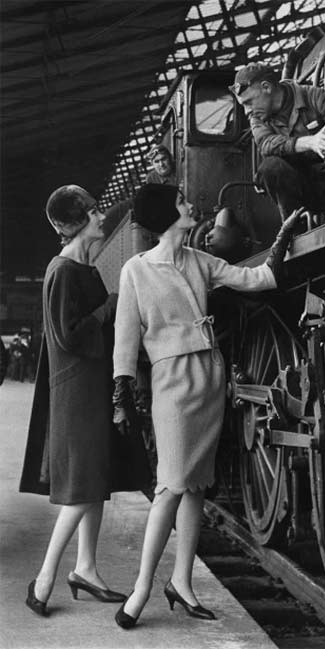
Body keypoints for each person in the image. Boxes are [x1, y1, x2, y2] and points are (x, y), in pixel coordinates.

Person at [112, 183, 301, 629]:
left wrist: (282, 239)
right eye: (180, 202)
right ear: (165, 215)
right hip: (173, 382)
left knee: (197, 483)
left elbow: (259, 279)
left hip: (210, 377)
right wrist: (122, 398)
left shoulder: (200, 262)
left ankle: (183, 583)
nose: (190, 205)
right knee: (171, 485)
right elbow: (125, 341)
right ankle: (142, 589)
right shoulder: (135, 271)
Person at [19, 185, 151, 617]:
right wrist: (110, 307)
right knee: (80, 489)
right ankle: (43, 581)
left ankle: (86, 569)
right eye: (93, 212)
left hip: (91, 388)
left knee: (94, 482)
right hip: (76, 393)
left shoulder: (83, 268)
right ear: (78, 224)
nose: (101, 218)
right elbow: (69, 335)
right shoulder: (62, 271)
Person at [230, 63, 325, 220]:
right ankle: (295, 229)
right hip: (300, 189)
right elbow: (267, 144)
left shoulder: (317, 98)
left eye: (248, 102)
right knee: (271, 167)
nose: (247, 111)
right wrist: (311, 142)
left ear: (266, 87)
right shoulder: (257, 118)